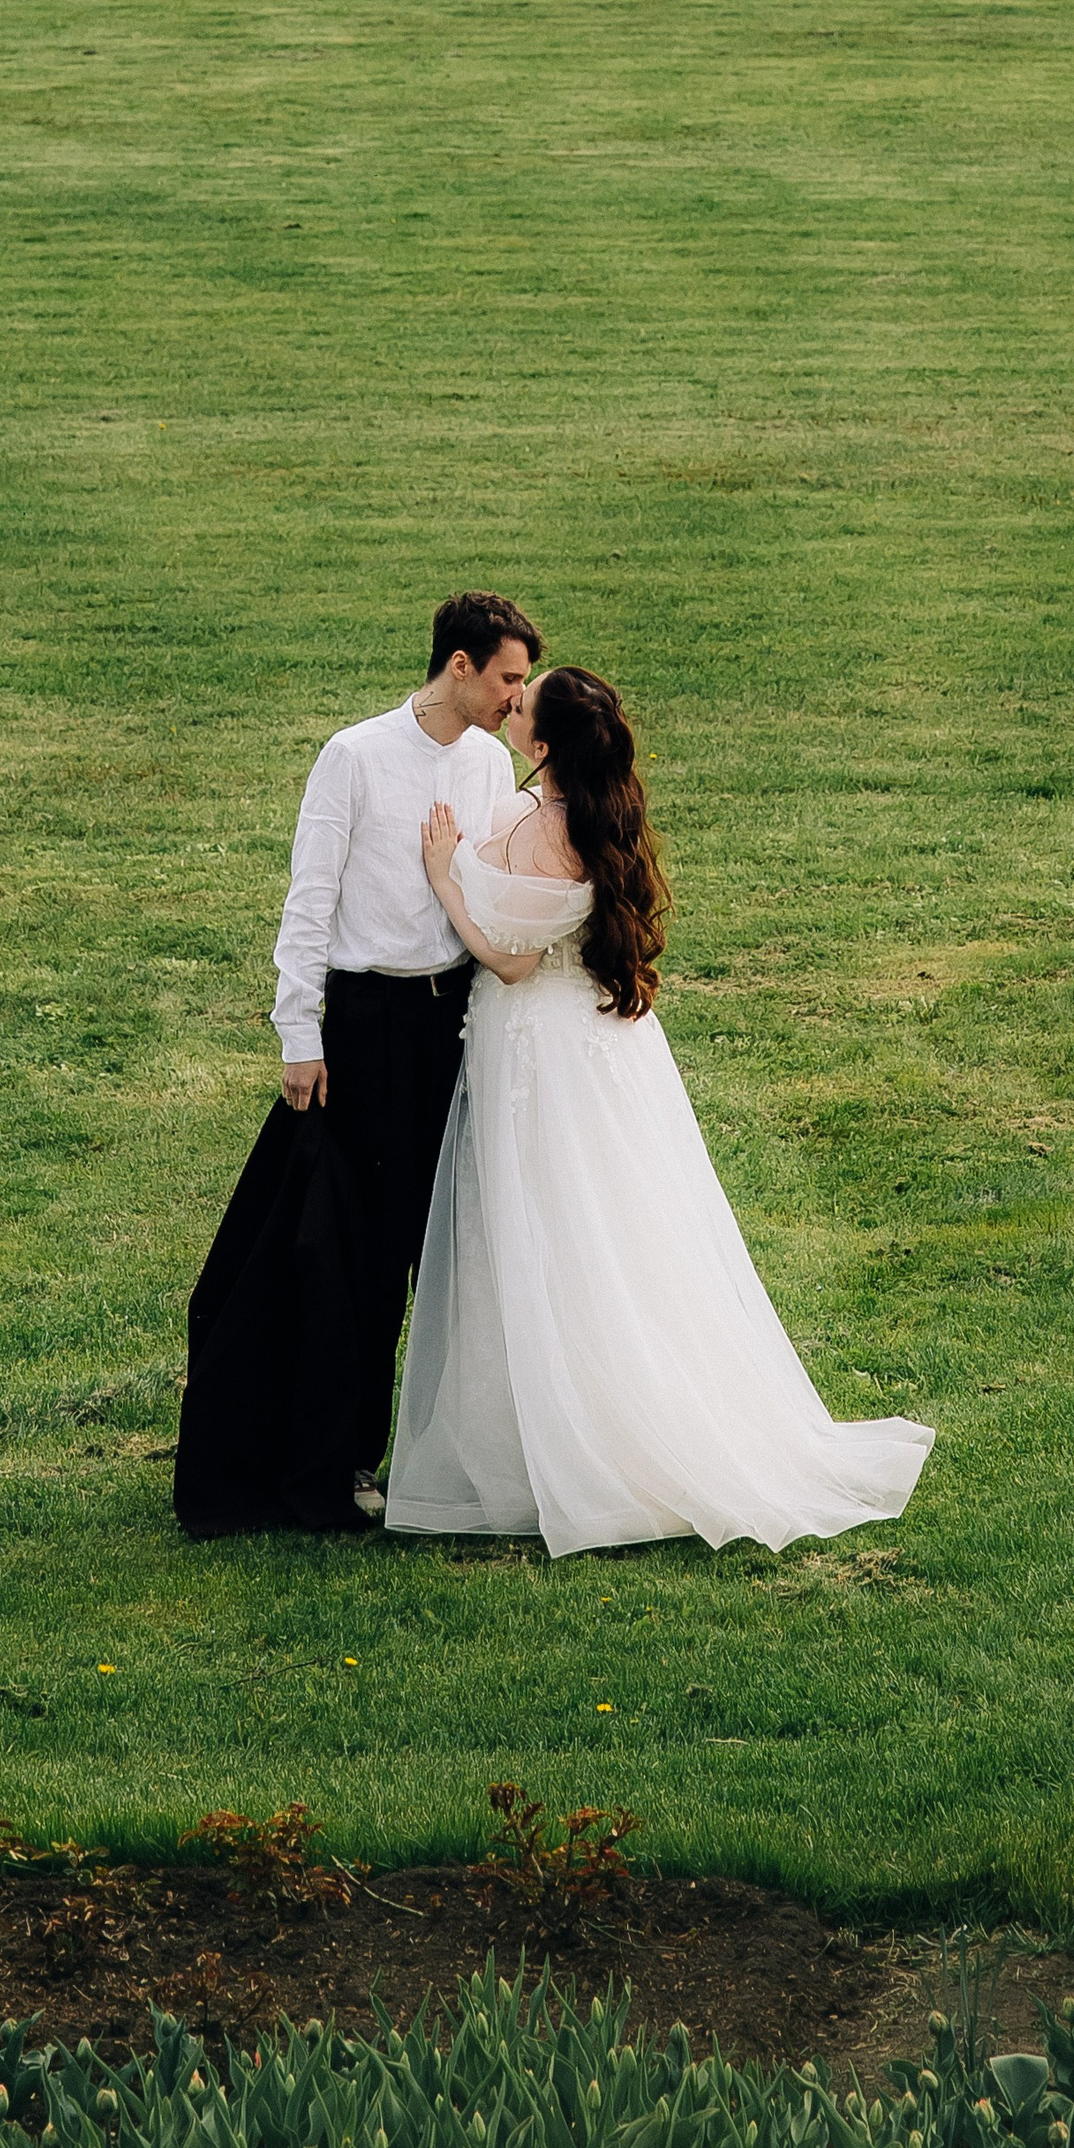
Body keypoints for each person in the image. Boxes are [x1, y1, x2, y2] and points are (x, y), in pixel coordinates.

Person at [385, 665, 932, 1554]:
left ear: (546, 742)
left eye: (523, 705)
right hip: (596, 1045)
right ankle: (569, 1428)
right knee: (605, 1227)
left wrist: (447, 878)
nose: (510, 708)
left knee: (547, 1234)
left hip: (539, 1048)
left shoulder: (545, 829)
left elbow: (513, 961)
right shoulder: (595, 819)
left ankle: (575, 1446)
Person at [173, 591, 540, 1537]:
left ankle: (405, 1455)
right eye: (507, 677)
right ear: (458, 665)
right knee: (346, 1253)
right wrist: (301, 1035)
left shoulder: (493, 763)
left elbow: (499, 892)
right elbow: (311, 896)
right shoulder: (356, 755)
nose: (517, 695)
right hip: (362, 1028)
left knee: (435, 1248)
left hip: (452, 1025)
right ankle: (326, 1459)